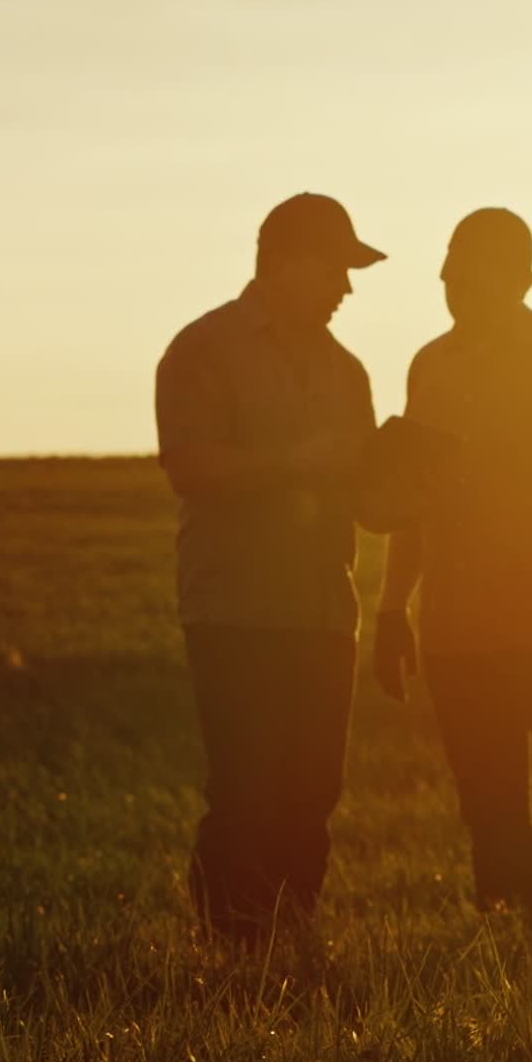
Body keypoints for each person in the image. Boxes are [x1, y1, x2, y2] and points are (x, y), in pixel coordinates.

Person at [155, 192, 386, 942]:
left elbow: (364, 500)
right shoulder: (203, 349)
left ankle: (292, 940)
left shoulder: (346, 370)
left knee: (313, 792)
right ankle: (234, 953)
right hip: (236, 609)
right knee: (247, 790)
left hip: (324, 607)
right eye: (336, 270)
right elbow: (188, 467)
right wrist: (296, 464)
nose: (347, 290)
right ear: (284, 264)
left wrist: (407, 482)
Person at [373, 208, 532, 922]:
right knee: (489, 808)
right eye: (450, 272)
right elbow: (411, 498)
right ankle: (510, 959)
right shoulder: (429, 366)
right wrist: (389, 610)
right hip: (456, 630)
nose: (454, 287)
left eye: (474, 277)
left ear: (524, 281)